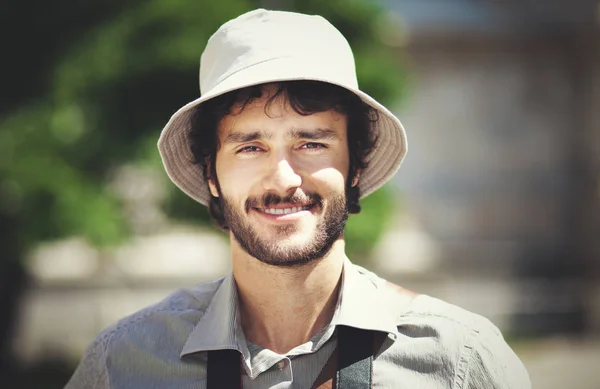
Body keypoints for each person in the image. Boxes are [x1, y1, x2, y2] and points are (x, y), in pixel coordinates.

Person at [65, 8, 531, 389]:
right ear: (211, 174)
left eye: (311, 143)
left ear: (357, 167)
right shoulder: (124, 363)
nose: (284, 177)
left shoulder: (459, 360)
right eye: (250, 146)